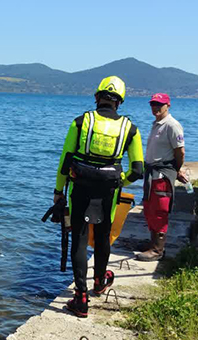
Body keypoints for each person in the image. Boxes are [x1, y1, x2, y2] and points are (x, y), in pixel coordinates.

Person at [53, 76, 144, 318]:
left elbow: (65, 162)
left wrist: (58, 191)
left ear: (97, 97)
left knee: (80, 238)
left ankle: (80, 298)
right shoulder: (130, 129)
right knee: (103, 235)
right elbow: (137, 170)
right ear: (119, 102)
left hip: (80, 187)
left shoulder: (81, 122)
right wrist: (118, 182)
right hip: (109, 190)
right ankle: (100, 282)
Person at [137, 93, 186, 262]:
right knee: (149, 208)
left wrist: (175, 170)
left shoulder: (172, 125)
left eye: (159, 104)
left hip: (162, 175)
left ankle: (158, 249)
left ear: (168, 106)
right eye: (153, 104)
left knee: (159, 210)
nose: (156, 107)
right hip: (152, 173)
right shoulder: (157, 124)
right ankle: (152, 243)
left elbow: (180, 152)